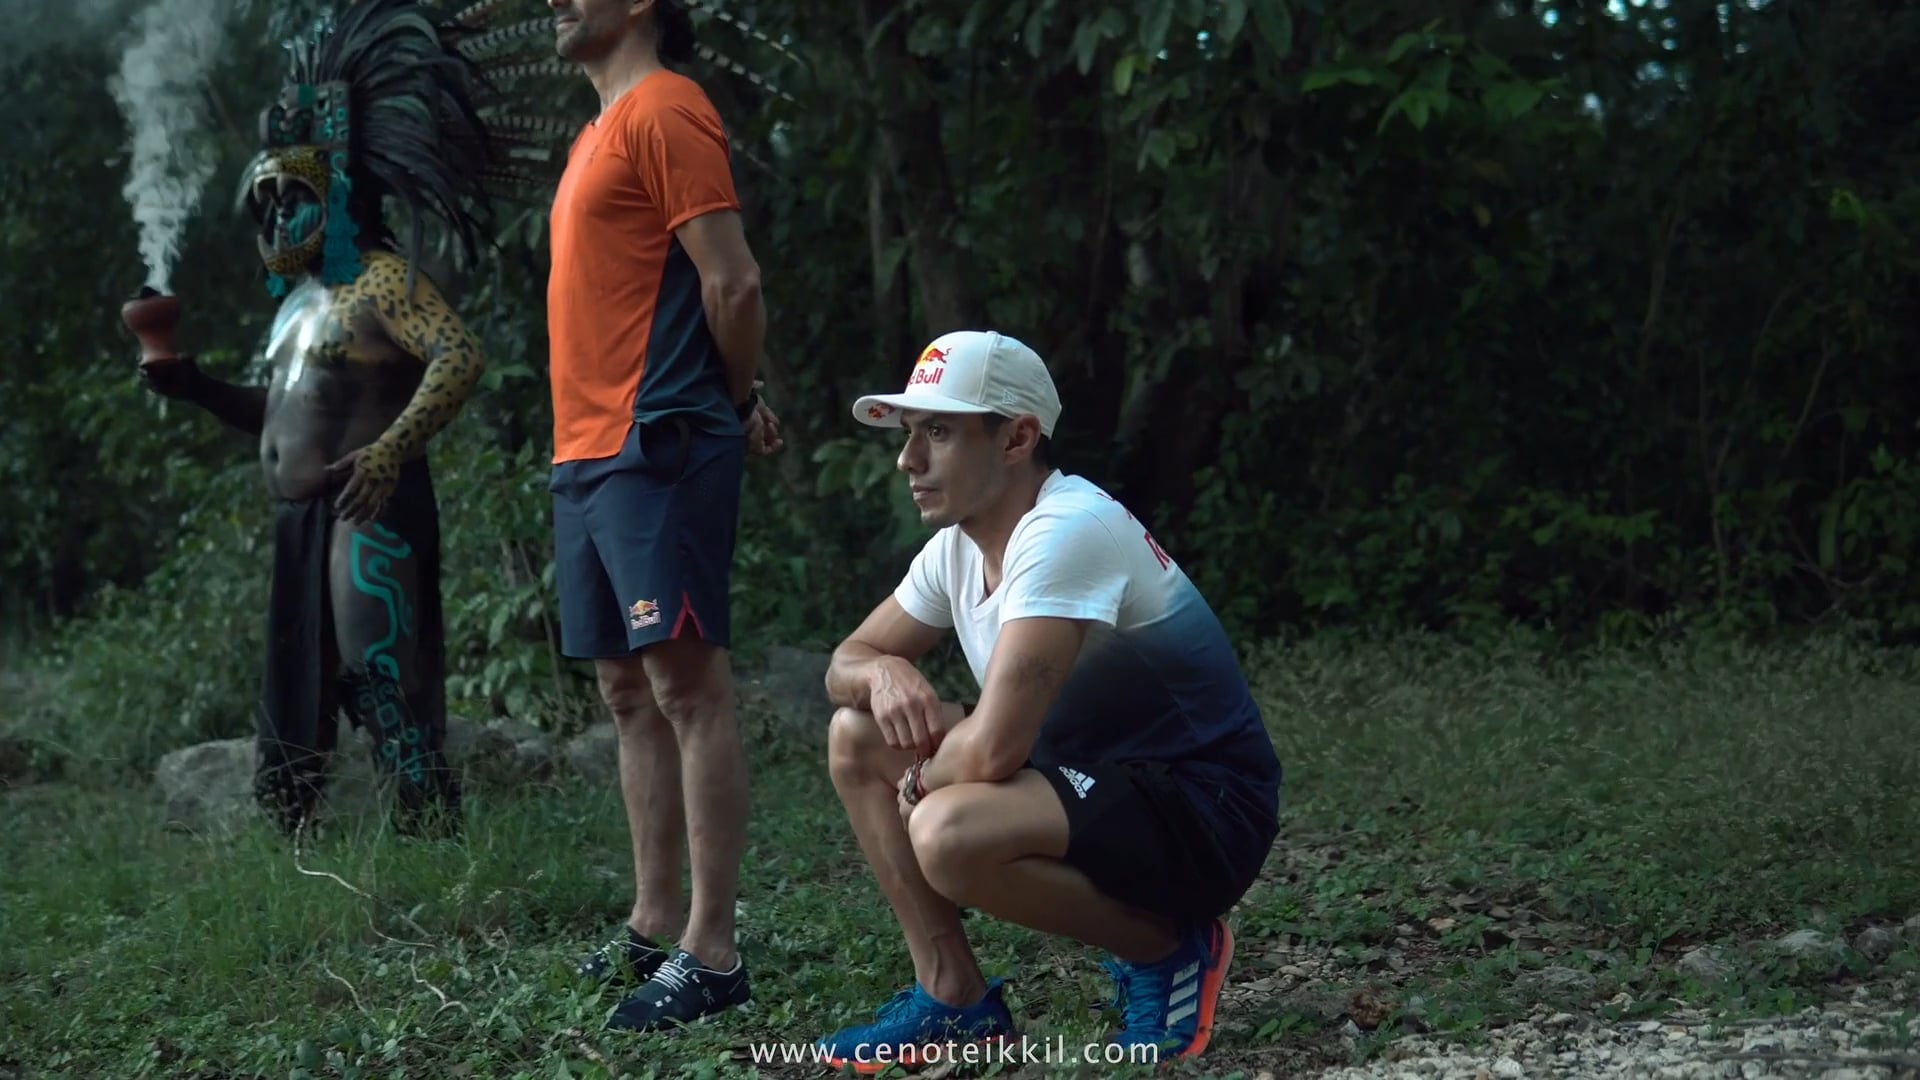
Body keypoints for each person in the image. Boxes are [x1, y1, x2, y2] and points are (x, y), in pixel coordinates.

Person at [133, 0, 589, 840]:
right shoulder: (295, 307)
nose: (273, 215)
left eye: (291, 195)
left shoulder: (384, 281)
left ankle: (429, 832)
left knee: (383, 676)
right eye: (262, 200)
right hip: (300, 517)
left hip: (365, 506)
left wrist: (387, 452)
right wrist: (196, 387)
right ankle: (311, 840)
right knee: (304, 685)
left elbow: (459, 356)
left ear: (337, 194)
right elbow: (280, 413)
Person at [815, 330, 1283, 1069]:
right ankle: (955, 997)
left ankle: (1169, 949)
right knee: (855, 734)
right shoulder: (957, 550)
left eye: (938, 432)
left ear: (1018, 438)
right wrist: (880, 675)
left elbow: (996, 747)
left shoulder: (1067, 529)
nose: (909, 460)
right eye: (910, 435)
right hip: (1091, 778)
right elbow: (846, 660)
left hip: (1202, 807)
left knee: (945, 830)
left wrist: (922, 780)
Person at [544, 0, 786, 1034]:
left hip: (657, 439)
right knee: (626, 692)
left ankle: (713, 952)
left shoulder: (666, 107)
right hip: (584, 450)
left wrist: (729, 404)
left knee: (687, 686)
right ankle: (652, 922)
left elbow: (731, 282)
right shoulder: (592, 132)